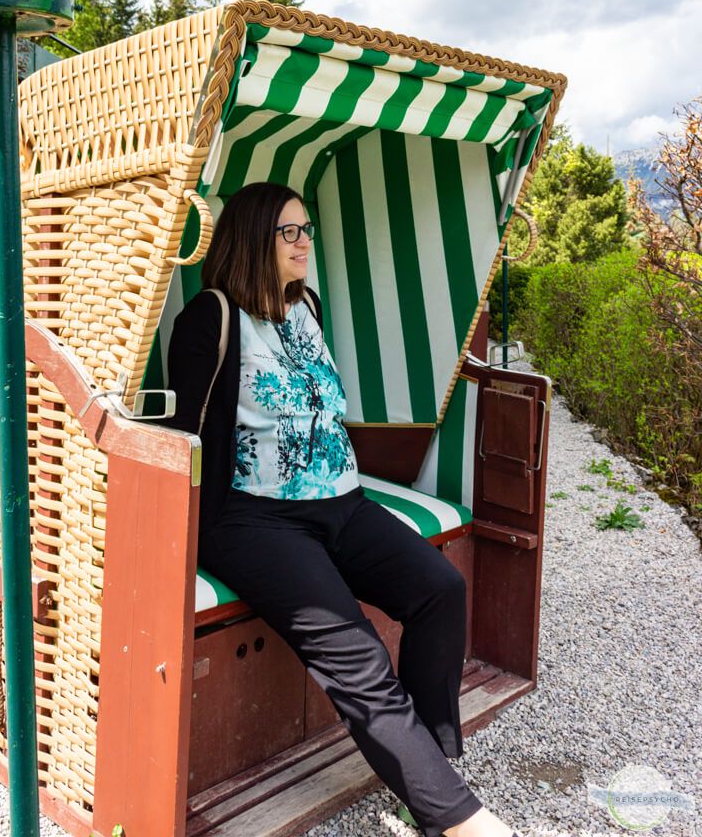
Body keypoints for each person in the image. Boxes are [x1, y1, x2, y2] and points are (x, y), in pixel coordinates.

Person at [168, 181, 521, 837]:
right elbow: (182, 434)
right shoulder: (210, 319)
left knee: (439, 588)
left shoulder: (308, 307)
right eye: (291, 232)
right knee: (357, 654)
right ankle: (461, 822)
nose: (306, 244)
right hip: (254, 517)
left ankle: (430, 767)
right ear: (252, 239)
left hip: (342, 503)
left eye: (308, 230)